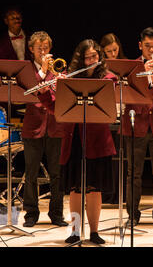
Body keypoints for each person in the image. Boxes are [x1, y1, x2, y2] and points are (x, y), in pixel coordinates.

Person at [37, 39, 117, 244]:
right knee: (75, 189)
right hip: (74, 139)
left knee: (94, 188)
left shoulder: (108, 78)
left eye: (94, 56)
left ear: (99, 57)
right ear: (80, 60)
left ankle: (94, 232)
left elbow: (108, 100)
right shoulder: (69, 80)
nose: (91, 60)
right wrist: (48, 88)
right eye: (87, 57)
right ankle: (75, 230)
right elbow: (56, 108)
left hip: (97, 141)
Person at [121, 27, 153, 227]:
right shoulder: (130, 68)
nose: (151, 50)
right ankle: (132, 215)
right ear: (140, 45)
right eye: (147, 46)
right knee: (133, 172)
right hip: (136, 124)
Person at [22, 31, 67, 228]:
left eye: (46, 48)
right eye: (39, 48)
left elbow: (63, 99)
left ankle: (56, 213)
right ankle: (31, 213)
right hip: (33, 127)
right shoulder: (26, 70)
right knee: (31, 173)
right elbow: (28, 91)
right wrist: (42, 73)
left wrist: (59, 81)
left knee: (57, 173)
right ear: (31, 50)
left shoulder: (57, 69)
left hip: (56, 127)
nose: (43, 51)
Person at [99, 33, 126, 205]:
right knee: (105, 157)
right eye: (109, 51)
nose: (113, 54)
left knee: (120, 158)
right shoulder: (100, 68)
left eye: (115, 50)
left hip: (121, 113)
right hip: (104, 115)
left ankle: (120, 195)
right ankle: (106, 194)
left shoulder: (125, 66)